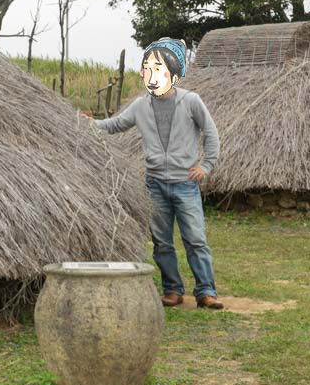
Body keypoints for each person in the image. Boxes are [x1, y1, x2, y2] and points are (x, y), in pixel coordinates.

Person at [83, 38, 224, 309]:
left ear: (173, 73)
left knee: (195, 239)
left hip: (185, 183)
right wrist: (92, 125)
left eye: (157, 69)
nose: (152, 75)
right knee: (161, 241)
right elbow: (115, 125)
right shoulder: (140, 106)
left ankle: (206, 292)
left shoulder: (191, 101)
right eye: (148, 69)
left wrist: (206, 165)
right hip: (155, 184)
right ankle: (173, 290)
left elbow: (211, 133)